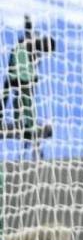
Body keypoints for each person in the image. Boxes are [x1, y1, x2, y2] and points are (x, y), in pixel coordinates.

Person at [1, 15, 55, 144]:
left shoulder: (37, 50)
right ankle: (24, 122)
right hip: (17, 70)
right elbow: (28, 32)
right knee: (19, 95)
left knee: (17, 95)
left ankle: (23, 122)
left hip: (19, 73)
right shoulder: (32, 41)